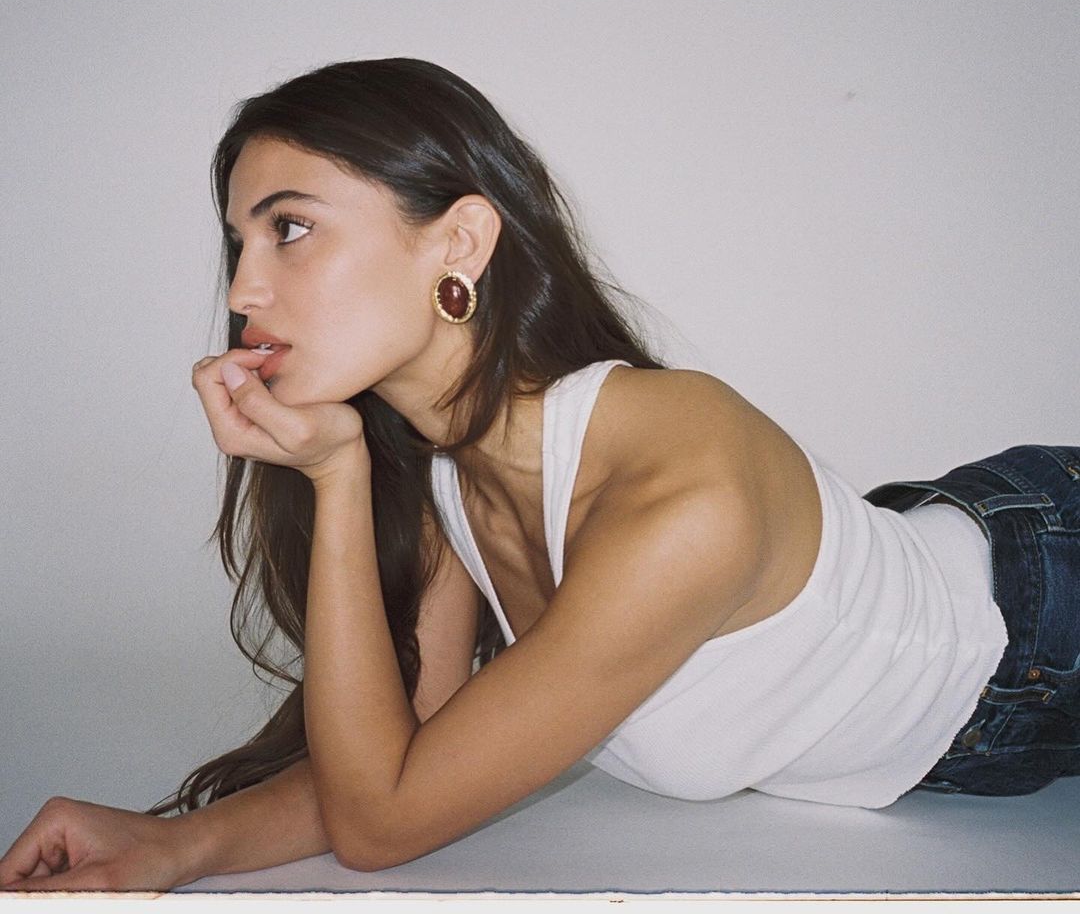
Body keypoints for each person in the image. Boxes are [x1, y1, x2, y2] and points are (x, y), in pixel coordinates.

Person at [2, 58, 1078, 892]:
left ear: (459, 242)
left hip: (1039, 619)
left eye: (291, 228)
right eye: (239, 242)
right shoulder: (448, 478)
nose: (244, 291)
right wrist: (171, 847)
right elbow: (391, 773)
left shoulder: (677, 484)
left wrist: (333, 474)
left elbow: (384, 821)